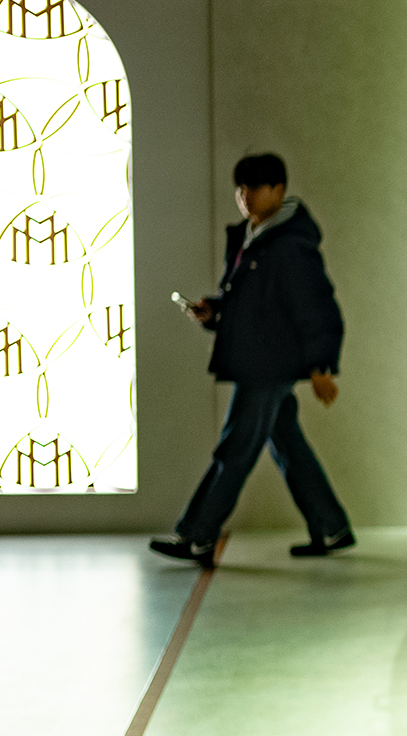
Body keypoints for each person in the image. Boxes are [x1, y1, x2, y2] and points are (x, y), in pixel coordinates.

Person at [150, 153, 353, 567]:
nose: (244, 197)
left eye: (253, 189)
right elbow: (250, 302)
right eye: (239, 189)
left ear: (278, 190)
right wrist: (215, 311)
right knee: (289, 446)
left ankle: (197, 536)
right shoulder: (253, 236)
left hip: (270, 365)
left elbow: (317, 308)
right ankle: (332, 527)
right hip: (261, 361)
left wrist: (320, 369)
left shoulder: (290, 246)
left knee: (234, 450)